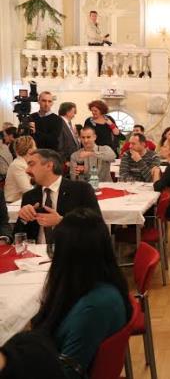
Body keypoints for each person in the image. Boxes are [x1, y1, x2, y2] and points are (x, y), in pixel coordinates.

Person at [31, 208, 129, 379]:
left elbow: (67, 373)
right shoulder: (97, 286)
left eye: (56, 249)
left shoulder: (94, 307)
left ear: (67, 254)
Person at [15, 149, 101, 243]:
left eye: (31, 164)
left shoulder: (81, 190)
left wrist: (62, 221)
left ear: (49, 166)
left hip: (71, 249)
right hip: (36, 251)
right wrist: (23, 218)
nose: (27, 170)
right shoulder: (29, 196)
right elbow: (18, 236)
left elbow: (97, 227)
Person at [4, 136, 36, 203]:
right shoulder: (17, 165)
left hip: (21, 201)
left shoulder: (25, 163)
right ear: (30, 151)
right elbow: (27, 190)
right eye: (35, 147)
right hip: (13, 203)